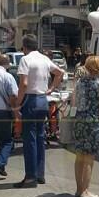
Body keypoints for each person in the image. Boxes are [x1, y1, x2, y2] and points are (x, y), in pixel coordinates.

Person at [13, 34, 64, 188]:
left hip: (30, 99)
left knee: (29, 140)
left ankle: (30, 177)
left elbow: (24, 84)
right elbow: (60, 73)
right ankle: (40, 174)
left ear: (24, 47)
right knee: (40, 137)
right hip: (43, 99)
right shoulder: (44, 59)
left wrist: (17, 104)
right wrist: (51, 88)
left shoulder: (25, 60)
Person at [71, 56, 99, 197]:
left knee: (79, 157)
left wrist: (73, 119)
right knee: (89, 159)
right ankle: (85, 191)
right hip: (93, 123)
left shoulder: (79, 83)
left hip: (80, 121)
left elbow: (73, 103)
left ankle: (78, 189)